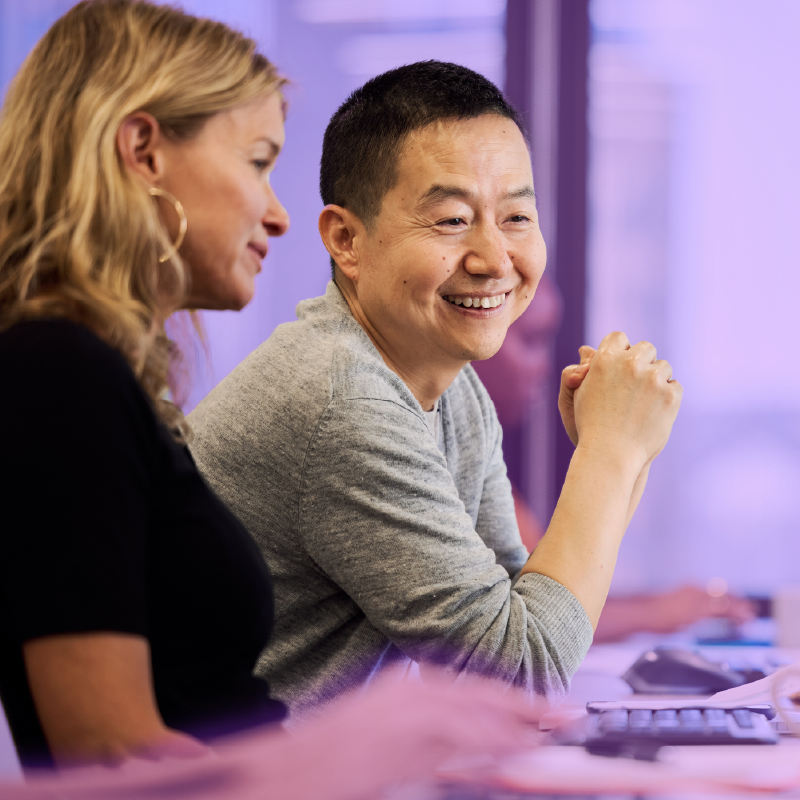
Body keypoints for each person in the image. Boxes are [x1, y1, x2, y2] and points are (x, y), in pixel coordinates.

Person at [0, 5, 538, 784]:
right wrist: (358, 738)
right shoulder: (59, 375)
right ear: (144, 151)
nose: (280, 215)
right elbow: (111, 764)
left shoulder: (97, 379)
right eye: (258, 162)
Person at [188, 60, 683, 719]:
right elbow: (521, 673)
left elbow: (518, 611)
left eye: (515, 217)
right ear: (347, 240)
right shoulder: (346, 401)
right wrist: (612, 451)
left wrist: (622, 447)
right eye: (451, 221)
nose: (492, 258)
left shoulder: (451, 389)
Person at [472, 281, 755, 641]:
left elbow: (552, 591)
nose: (544, 368)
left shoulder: (482, 458)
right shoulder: (444, 460)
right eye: (530, 341)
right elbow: (537, 622)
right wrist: (615, 444)